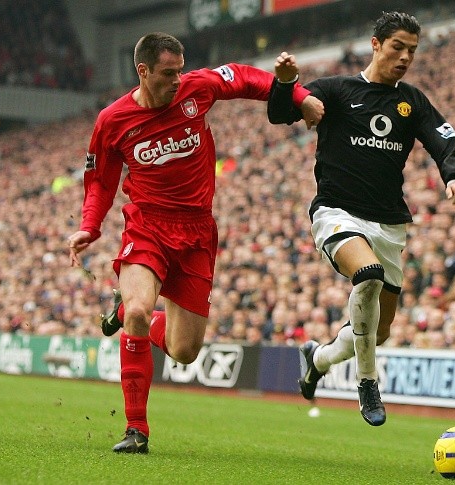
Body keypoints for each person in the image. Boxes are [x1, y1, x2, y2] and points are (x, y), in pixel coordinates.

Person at [67, 32, 322, 453]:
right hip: (147, 224)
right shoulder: (112, 120)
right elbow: (100, 182)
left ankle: (131, 311)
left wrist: (298, 95)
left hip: (197, 231)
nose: (176, 79)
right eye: (168, 73)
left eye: (180, 69)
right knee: (137, 313)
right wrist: (89, 227)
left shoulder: (195, 89)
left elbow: (241, 78)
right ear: (142, 71)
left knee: (184, 351)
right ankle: (136, 429)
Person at [268, 11, 455, 426]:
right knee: (369, 275)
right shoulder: (337, 90)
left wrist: (453, 176)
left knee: (378, 331)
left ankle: (318, 358)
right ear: (375, 44)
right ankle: (367, 383)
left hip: (388, 222)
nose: (405, 57)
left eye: (412, 50)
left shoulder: (411, 100)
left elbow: (442, 139)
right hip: (336, 211)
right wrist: (287, 83)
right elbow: (278, 112)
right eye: (397, 47)